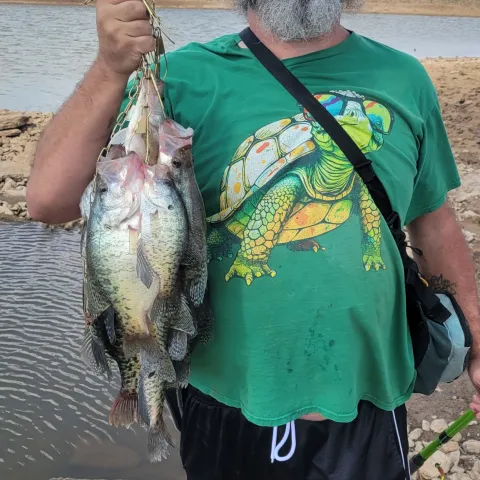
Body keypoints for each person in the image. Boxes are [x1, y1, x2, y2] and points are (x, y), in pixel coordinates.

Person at [27, 0, 480, 478]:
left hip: (368, 399)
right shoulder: (179, 78)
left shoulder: (404, 79)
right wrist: (109, 68)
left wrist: (477, 347)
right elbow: (48, 200)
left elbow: (433, 223)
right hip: (223, 403)